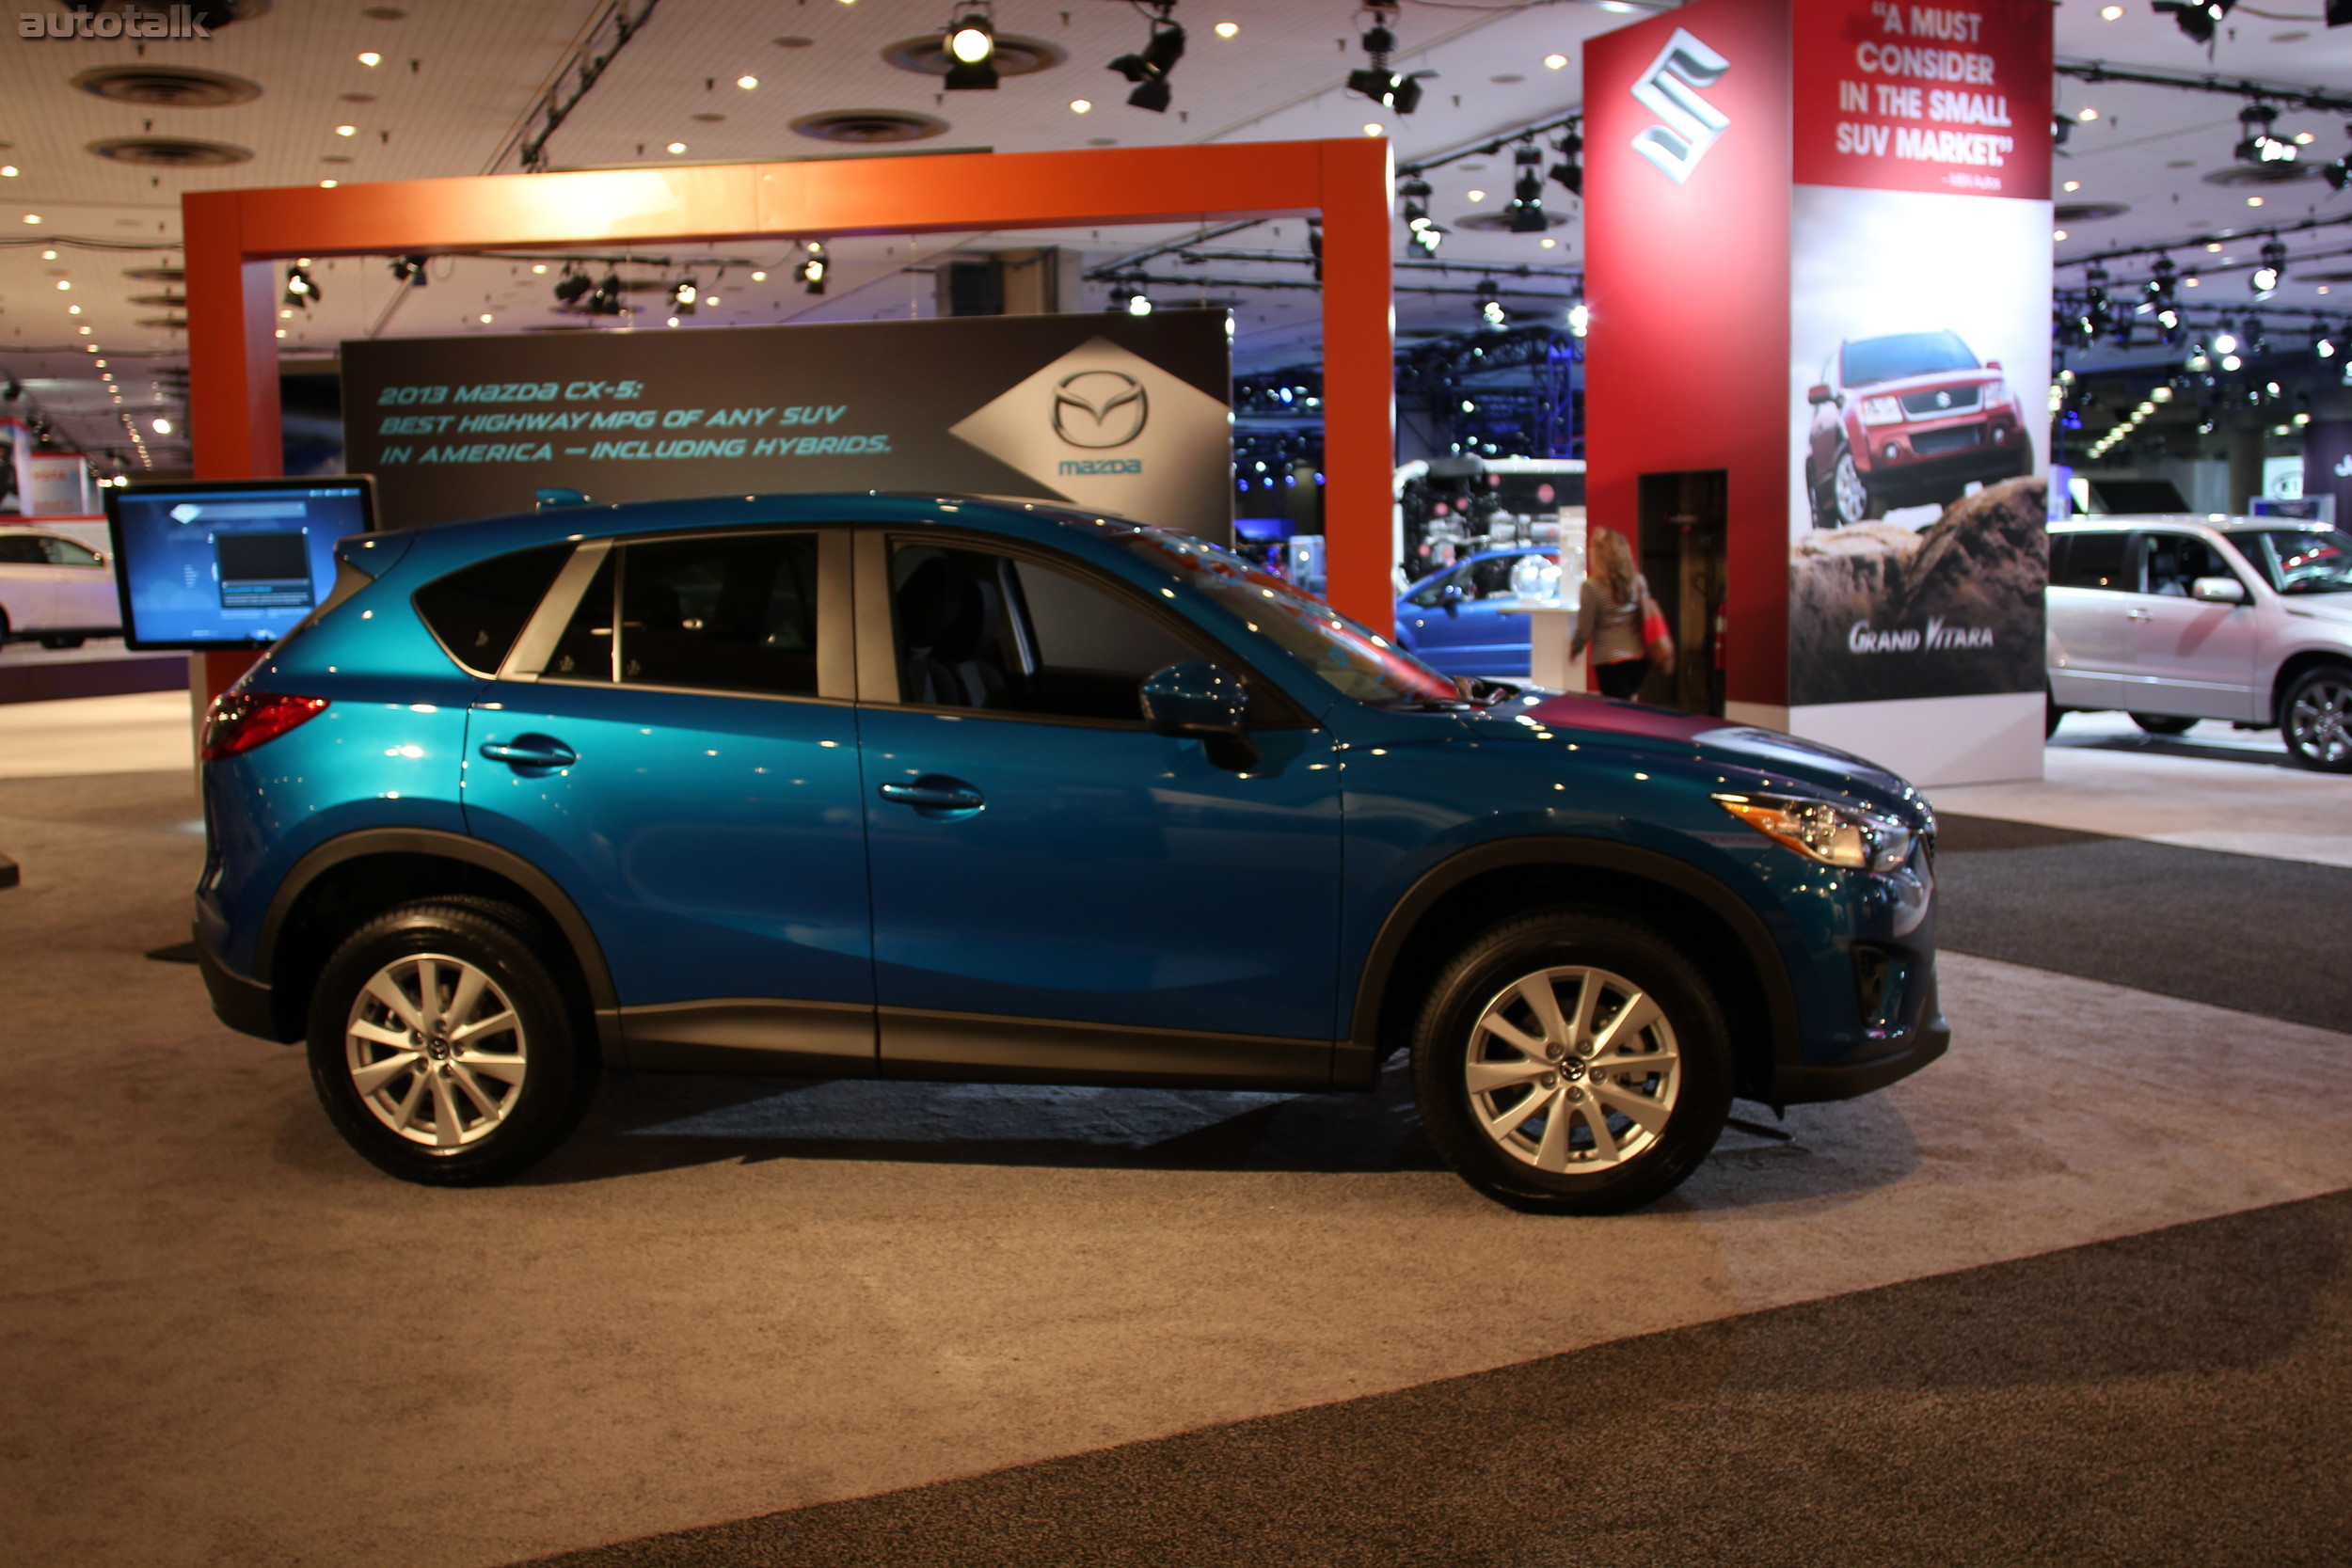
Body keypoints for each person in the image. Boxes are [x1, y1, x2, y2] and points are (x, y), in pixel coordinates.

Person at [1570, 528, 1653, 700]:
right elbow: (1646, 617)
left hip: (1610, 660)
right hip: (1639, 658)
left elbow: (1585, 629)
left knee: (1618, 709)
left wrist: (1575, 649)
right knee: (1627, 704)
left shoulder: (1592, 587)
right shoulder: (1638, 581)